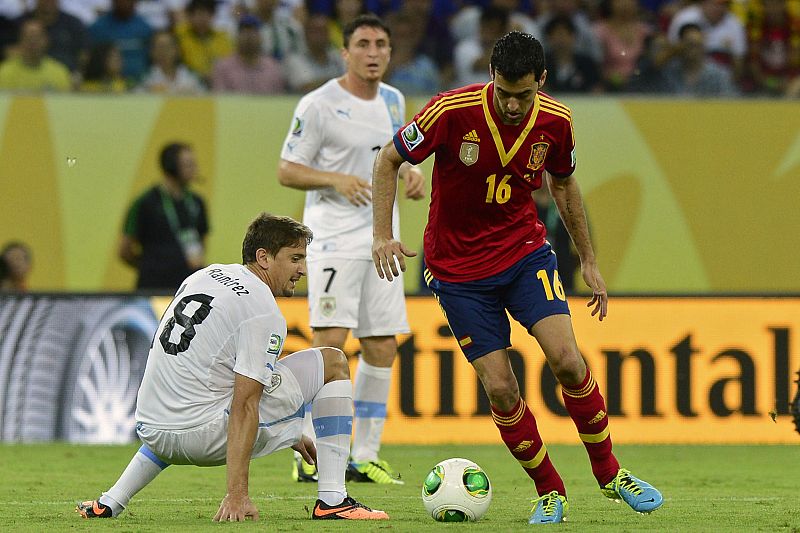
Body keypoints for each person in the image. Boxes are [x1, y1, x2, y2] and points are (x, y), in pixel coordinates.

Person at [371, 31, 663, 525]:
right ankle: (549, 489)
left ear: (541, 82)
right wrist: (381, 234)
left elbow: (564, 183)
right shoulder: (449, 111)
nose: (511, 104)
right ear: (491, 77)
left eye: (523, 95)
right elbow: (388, 158)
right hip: (457, 272)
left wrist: (589, 260)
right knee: (502, 389)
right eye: (504, 92)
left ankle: (611, 473)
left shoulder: (556, 120)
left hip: (524, 255)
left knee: (568, 361)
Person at [76, 213, 389, 521]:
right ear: (263, 257)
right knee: (333, 362)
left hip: (150, 428)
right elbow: (245, 403)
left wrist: (285, 429)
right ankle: (333, 500)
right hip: (201, 436)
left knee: (188, 401)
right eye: (295, 259)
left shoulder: (203, 275)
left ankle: (112, 500)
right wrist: (237, 494)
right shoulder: (262, 311)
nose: (303, 270)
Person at [278, 14, 425, 485]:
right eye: (363, 44)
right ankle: (306, 450)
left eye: (381, 43)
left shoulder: (394, 100)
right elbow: (287, 169)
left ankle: (365, 453)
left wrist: (410, 172)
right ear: (345, 53)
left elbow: (393, 155)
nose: (374, 52)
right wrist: (335, 179)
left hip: (383, 240)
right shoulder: (318, 104)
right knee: (329, 343)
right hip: (334, 239)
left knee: (382, 345)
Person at [118, 142, 210, 293]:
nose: (194, 169)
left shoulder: (197, 203)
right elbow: (124, 250)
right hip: (153, 289)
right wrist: (150, 267)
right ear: (171, 166)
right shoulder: (145, 203)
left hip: (187, 289)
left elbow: (201, 243)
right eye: (188, 164)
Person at [211, 14, 286, 94]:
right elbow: (220, 100)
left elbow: (278, 99)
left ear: (261, 37)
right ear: (237, 36)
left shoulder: (272, 67)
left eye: (253, 31)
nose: (249, 36)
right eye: (244, 31)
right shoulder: (223, 67)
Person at [0, 18, 71, 92]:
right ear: (20, 41)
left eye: (37, 37)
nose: (32, 42)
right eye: (28, 37)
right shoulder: (3, 72)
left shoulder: (59, 73)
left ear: (46, 41)